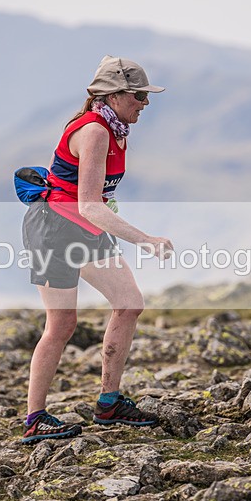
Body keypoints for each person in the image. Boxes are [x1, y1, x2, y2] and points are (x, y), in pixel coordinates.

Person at [20, 55, 174, 444]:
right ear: (116, 93)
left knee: (129, 303)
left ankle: (108, 402)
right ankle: (35, 418)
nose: (145, 103)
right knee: (62, 324)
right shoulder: (94, 131)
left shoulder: (117, 128)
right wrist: (147, 239)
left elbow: (93, 202)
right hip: (53, 228)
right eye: (139, 95)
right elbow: (89, 203)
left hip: (85, 228)